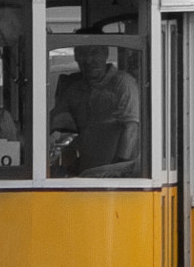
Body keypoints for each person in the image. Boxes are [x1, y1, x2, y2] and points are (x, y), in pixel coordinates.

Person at [50, 44, 142, 176]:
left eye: (94, 53)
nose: (88, 60)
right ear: (76, 57)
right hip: (88, 171)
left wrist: (117, 171)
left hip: (117, 173)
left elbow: (131, 129)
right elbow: (55, 120)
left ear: (105, 54)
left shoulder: (123, 84)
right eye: (82, 54)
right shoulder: (75, 88)